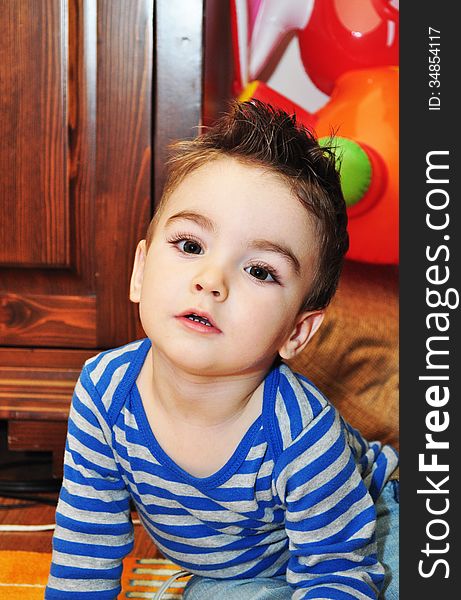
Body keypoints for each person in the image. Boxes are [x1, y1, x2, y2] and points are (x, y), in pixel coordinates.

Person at [46, 100, 399, 599]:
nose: (210, 281)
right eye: (191, 245)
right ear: (141, 271)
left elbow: (338, 571)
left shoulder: (300, 433)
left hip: (366, 527)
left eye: (259, 271)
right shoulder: (105, 392)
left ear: (297, 332)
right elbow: (87, 541)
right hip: (243, 569)